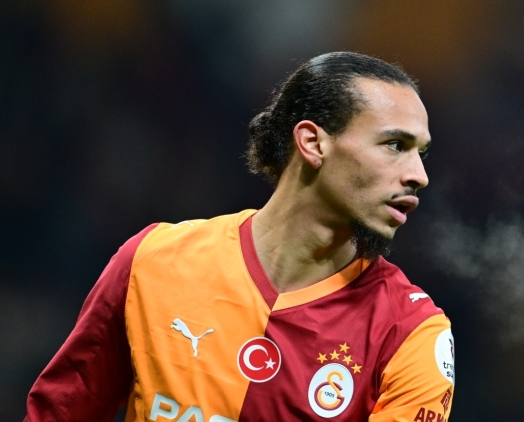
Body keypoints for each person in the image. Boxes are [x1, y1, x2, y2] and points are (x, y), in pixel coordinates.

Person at [25, 52, 455, 422]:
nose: (418, 175)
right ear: (313, 143)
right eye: (395, 145)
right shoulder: (152, 261)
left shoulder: (410, 334)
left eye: (421, 152)